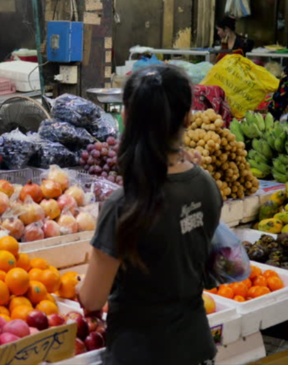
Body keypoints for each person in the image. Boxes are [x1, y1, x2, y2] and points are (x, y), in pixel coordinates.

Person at [76, 65, 222, 365]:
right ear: (187, 118)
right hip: (195, 348)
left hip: (138, 354)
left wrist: (80, 283)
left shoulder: (125, 203)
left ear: (125, 117)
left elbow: (91, 299)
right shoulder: (206, 185)